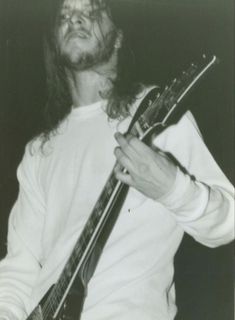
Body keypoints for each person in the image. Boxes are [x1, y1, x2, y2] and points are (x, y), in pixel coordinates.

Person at [0, 0, 234, 319]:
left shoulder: (157, 116)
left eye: (92, 11)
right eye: (65, 14)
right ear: (54, 42)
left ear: (119, 36)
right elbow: (19, 269)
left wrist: (173, 189)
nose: (75, 19)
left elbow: (228, 224)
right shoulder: (40, 151)